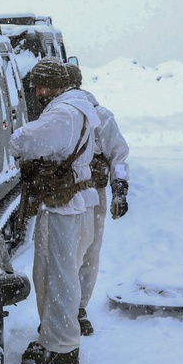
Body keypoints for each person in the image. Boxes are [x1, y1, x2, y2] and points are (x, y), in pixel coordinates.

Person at [10, 58, 100, 364]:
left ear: (52, 84)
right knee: (64, 272)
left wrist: (18, 140)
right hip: (75, 199)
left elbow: (27, 140)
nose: (37, 92)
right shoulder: (81, 105)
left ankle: (60, 346)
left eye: (40, 85)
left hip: (62, 204)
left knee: (54, 274)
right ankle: (57, 335)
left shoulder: (63, 112)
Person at [67, 63, 130, 337]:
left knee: (88, 254)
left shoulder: (100, 117)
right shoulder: (57, 116)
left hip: (93, 194)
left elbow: (119, 154)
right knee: (63, 255)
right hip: (61, 196)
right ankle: (61, 312)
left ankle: (78, 310)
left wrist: (120, 188)